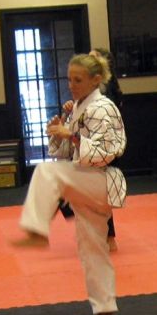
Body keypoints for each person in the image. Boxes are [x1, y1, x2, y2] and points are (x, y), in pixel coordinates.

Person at [12, 53, 127, 315]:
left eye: (78, 80)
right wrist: (57, 132)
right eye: (69, 80)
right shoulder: (79, 107)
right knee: (92, 249)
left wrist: (71, 135)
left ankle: (37, 228)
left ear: (96, 80)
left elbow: (108, 152)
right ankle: (105, 311)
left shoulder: (104, 108)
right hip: (85, 181)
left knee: (46, 172)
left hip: (100, 179)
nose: (71, 85)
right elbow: (66, 153)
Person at [62, 47, 123, 251]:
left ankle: (108, 237)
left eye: (93, 58)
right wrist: (71, 110)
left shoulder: (107, 95)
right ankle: (100, 234)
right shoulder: (86, 92)